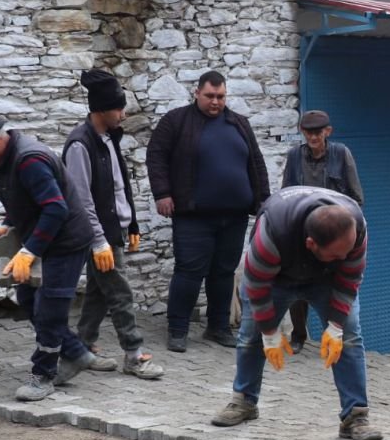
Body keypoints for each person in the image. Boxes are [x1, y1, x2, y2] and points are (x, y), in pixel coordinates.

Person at [211, 186, 382, 440]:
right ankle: (244, 402)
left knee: (349, 337)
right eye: (337, 254)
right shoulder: (272, 232)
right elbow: (256, 286)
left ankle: (355, 417)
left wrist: (336, 326)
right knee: (251, 337)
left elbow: (350, 275)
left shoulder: (355, 227)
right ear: (311, 244)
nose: (344, 257)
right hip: (275, 278)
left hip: (328, 279)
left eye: (346, 251)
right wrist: (269, 332)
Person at [0, 113, 97, 401]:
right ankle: (76, 354)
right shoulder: (7, 158)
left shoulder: (29, 159)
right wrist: (10, 221)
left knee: (50, 309)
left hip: (66, 242)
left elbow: (55, 208)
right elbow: (26, 196)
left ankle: (43, 376)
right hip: (44, 238)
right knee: (28, 300)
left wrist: (28, 250)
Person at [146, 70, 270, 353]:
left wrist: (263, 201)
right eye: (210, 96)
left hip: (235, 215)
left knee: (224, 272)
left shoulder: (238, 123)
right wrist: (162, 193)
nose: (215, 102)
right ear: (197, 93)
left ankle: (218, 326)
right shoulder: (176, 121)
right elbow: (156, 156)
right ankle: (178, 329)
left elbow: (256, 162)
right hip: (193, 215)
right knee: (189, 271)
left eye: (221, 97)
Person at [62, 70, 163, 380]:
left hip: (112, 231)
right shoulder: (80, 145)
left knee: (98, 291)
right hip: (98, 235)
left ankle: (82, 346)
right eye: (119, 108)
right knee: (119, 293)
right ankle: (134, 354)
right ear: (102, 109)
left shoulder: (108, 139)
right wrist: (99, 241)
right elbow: (81, 200)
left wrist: (130, 222)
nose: (124, 112)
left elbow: (120, 186)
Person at [280, 109, 364, 354]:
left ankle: (334, 333)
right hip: (304, 230)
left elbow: (356, 197)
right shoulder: (294, 156)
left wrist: (345, 227)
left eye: (317, 132)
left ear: (328, 131)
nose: (313, 137)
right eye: (308, 132)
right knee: (296, 283)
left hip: (335, 229)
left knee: (335, 283)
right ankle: (298, 334)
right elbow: (286, 194)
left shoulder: (341, 154)